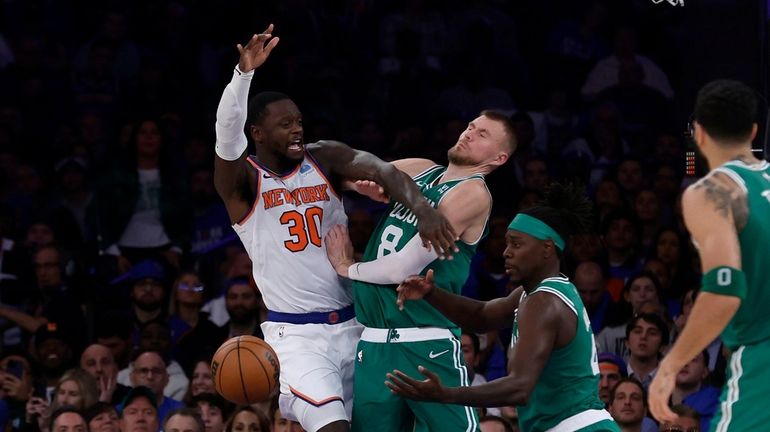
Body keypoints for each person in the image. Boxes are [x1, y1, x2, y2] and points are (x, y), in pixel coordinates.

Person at [213, 25, 456, 432]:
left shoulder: (323, 158)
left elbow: (380, 168)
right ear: (256, 133)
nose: (296, 130)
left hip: (359, 323)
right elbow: (225, 136)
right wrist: (243, 76)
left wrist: (422, 208)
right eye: (284, 124)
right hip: (297, 338)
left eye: (299, 121)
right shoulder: (242, 183)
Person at [325, 108, 515, 431]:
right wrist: (361, 186)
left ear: (498, 158)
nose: (468, 132)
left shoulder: (473, 192)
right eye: (471, 126)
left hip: (427, 342)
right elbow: (344, 171)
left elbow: (404, 266)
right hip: (373, 343)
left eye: (482, 134)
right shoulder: (422, 169)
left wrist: (347, 267)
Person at [385, 184, 619, 431]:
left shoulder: (543, 301)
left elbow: (520, 387)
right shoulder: (538, 293)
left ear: (547, 249)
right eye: (507, 244)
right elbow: (481, 317)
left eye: (517, 244)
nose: (506, 252)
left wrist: (446, 394)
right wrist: (430, 293)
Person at [648, 80, 770, 430]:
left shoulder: (713, 190)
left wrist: (670, 365)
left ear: (698, 133)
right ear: (753, 130)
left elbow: (725, 287)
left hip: (761, 361)